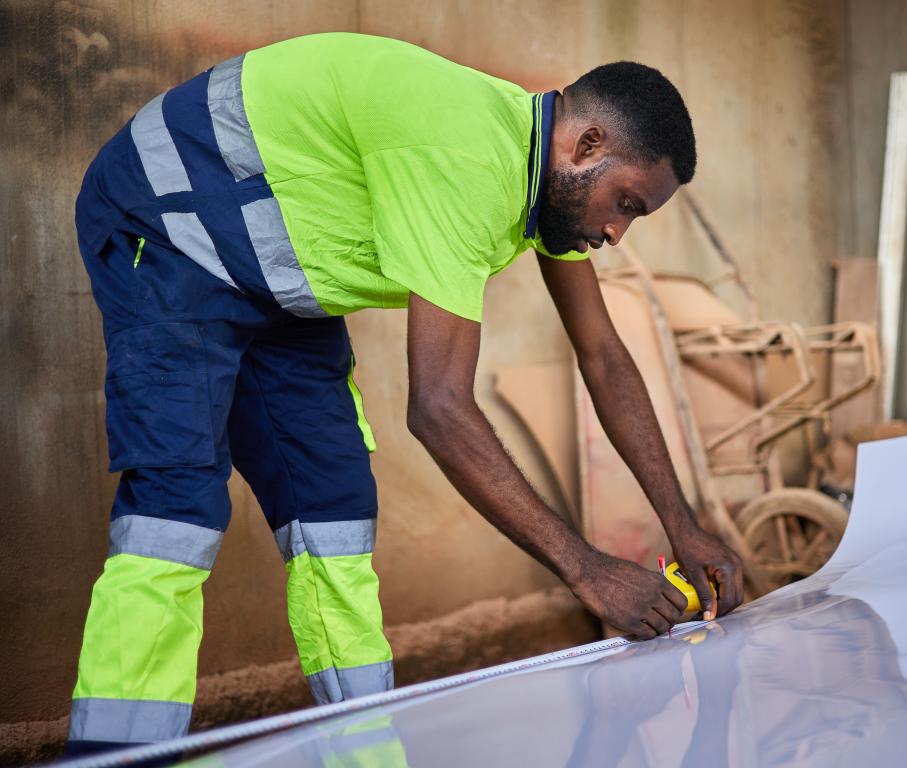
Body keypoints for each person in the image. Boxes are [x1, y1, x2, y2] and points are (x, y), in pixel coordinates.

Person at [68, 32, 744, 754]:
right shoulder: (469, 159)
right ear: (586, 145)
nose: (616, 231)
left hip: (277, 286)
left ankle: (364, 746)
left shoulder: (539, 176)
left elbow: (603, 355)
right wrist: (586, 568)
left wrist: (684, 522)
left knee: (332, 507)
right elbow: (441, 410)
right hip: (168, 229)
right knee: (178, 508)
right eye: (626, 203)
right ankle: (115, 750)